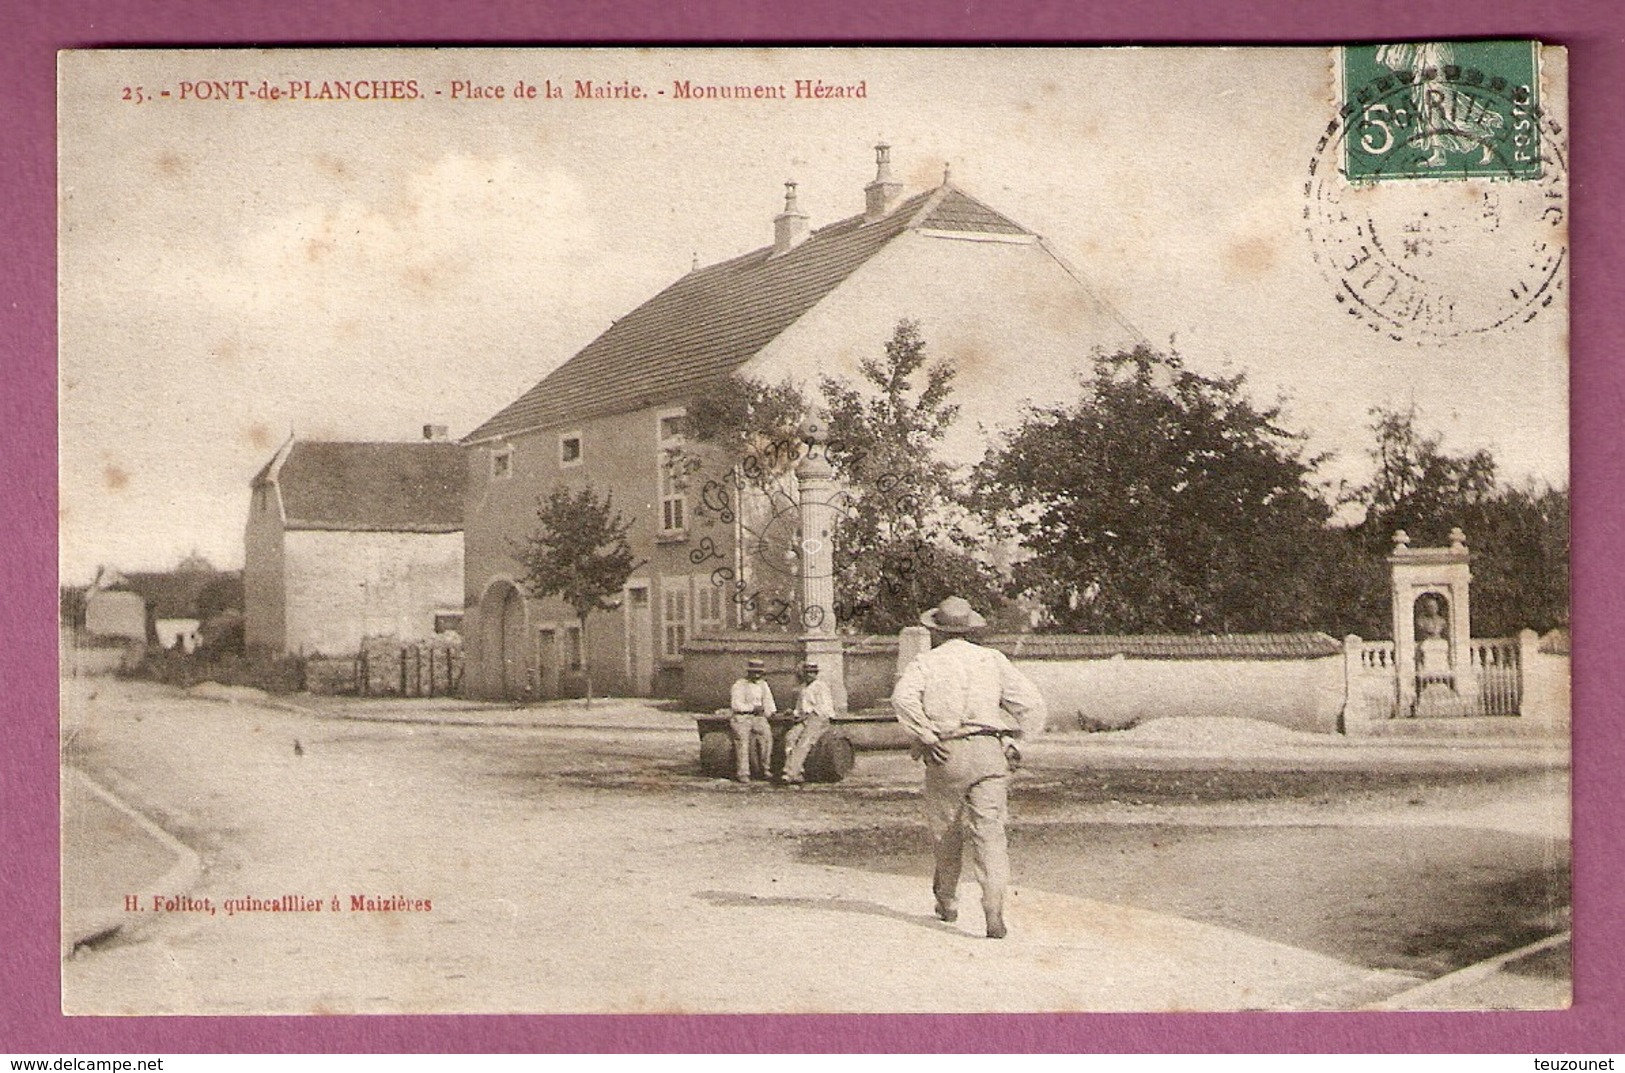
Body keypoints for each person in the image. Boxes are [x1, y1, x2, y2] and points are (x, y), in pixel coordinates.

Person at [891, 596, 1046, 939]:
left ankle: (947, 902)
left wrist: (927, 734)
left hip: (947, 752)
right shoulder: (992, 659)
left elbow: (902, 699)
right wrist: (1018, 743)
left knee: (946, 830)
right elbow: (1032, 705)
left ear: (937, 631)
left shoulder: (926, 662)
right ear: (970, 629)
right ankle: (994, 908)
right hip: (989, 751)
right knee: (990, 833)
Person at [782, 661, 834, 785]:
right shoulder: (803, 688)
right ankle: (798, 772)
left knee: (804, 742)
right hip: (804, 719)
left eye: (812, 672)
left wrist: (808, 715)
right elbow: (800, 708)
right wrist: (793, 713)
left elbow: (824, 708)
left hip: (818, 718)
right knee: (790, 737)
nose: (810, 675)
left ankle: (789, 772)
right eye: (807, 673)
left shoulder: (821, 687)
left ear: (816, 674)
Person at [727, 658, 776, 783]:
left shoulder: (763, 685)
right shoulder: (739, 685)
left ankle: (765, 768)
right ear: (748, 672)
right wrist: (752, 708)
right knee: (742, 740)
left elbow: (769, 702)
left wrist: (769, 712)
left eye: (759, 672)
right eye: (754, 672)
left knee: (767, 737)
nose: (757, 675)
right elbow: (736, 705)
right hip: (742, 717)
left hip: (758, 717)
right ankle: (743, 772)